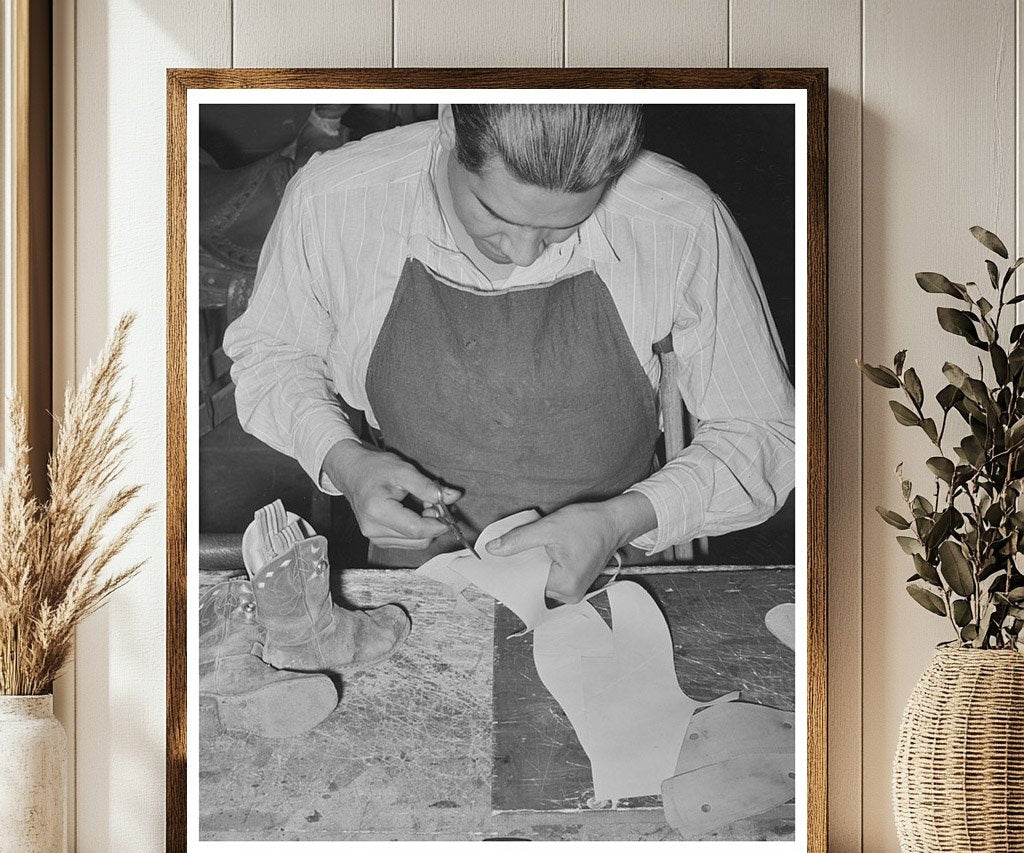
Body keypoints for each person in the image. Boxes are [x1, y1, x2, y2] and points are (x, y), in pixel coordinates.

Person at [223, 104, 794, 605]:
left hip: (616, 558)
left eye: (562, 228)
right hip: (416, 560)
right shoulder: (336, 198)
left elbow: (764, 432)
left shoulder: (678, 219)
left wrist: (621, 520)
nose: (523, 255)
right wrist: (345, 461)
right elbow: (273, 355)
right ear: (450, 129)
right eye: (497, 216)